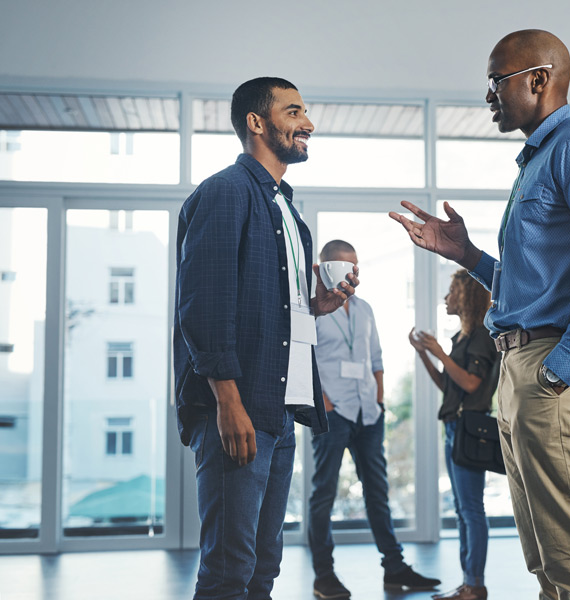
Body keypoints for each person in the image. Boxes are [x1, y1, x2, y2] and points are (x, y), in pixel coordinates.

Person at [390, 29, 570, 599]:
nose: (488, 96)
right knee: (549, 564)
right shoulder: (538, 161)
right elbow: (528, 289)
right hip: (522, 372)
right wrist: (466, 255)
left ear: (539, 79)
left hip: (553, 374)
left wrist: (560, 369)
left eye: (496, 81)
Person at [173, 77, 358, 600]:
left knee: (261, 570)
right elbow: (203, 304)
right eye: (294, 111)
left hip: (278, 411)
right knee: (229, 572)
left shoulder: (288, 211)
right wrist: (228, 402)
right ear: (257, 123)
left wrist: (316, 306)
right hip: (239, 407)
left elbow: (274, 310)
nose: (308, 123)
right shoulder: (225, 194)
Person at [308, 239, 440, 599]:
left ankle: (394, 569)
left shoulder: (364, 309)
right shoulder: (312, 309)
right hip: (333, 412)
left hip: (368, 412)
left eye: (354, 266)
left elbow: (376, 359)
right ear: (323, 269)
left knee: (378, 493)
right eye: (341, 266)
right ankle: (324, 575)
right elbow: (305, 359)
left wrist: (379, 400)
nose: (350, 272)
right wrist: (325, 403)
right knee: (324, 494)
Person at [409, 269, 500, 600]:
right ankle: (468, 583)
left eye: (451, 291)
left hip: (469, 428)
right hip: (455, 425)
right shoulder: (461, 338)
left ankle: (475, 584)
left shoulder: (481, 337)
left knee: (471, 510)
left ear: (467, 296)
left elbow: (473, 384)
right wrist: (424, 353)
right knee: (464, 510)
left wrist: (439, 353)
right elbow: (448, 386)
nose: (447, 297)